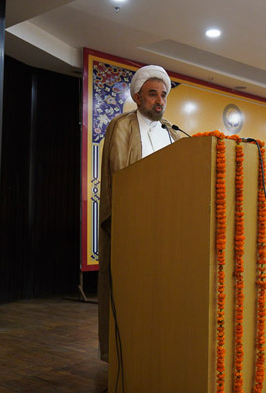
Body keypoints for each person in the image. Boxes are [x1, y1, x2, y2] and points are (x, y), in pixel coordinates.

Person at [97, 65, 183, 362]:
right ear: (137, 96)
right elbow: (122, 175)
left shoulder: (171, 132)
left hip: (169, 225)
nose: (159, 101)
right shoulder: (122, 126)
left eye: (163, 95)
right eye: (152, 94)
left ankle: (160, 353)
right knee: (135, 294)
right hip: (135, 224)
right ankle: (129, 357)